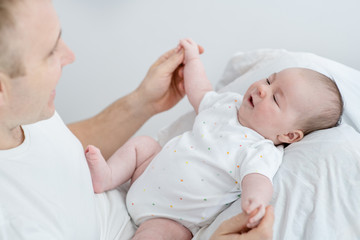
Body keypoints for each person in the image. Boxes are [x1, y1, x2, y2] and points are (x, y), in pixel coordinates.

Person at [0, 0, 276, 239]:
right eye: (50, 52)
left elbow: (53, 147)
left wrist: (143, 102)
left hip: (138, 193)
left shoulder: (22, 111)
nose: (69, 56)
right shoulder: (15, 224)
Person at [85, 38, 344, 239]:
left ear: (289, 135)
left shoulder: (260, 150)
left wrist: (256, 202)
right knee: (143, 145)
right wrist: (193, 59)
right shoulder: (227, 104)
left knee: (157, 237)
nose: (263, 89)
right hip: (144, 173)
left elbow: (258, 180)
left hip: (172, 217)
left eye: (276, 98)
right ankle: (107, 176)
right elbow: (200, 90)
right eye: (269, 79)